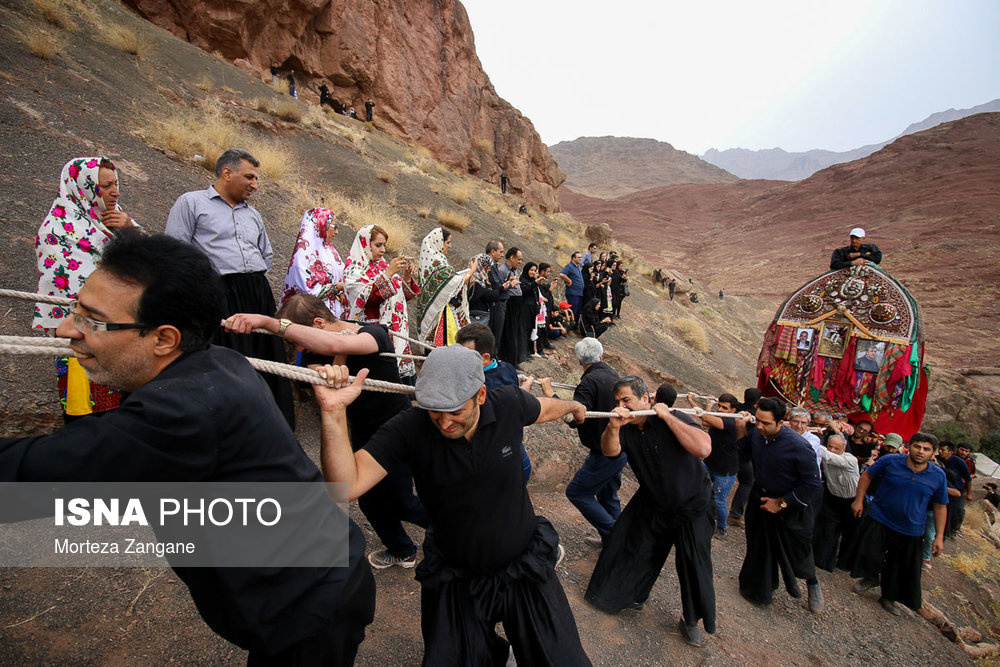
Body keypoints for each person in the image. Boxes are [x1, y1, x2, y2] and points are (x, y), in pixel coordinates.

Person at [4, 234, 375, 662]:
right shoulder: (217, 362)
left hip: (308, 608)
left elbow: (24, 478)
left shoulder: (183, 409)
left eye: (92, 320)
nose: (65, 329)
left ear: (164, 339)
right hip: (318, 578)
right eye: (75, 309)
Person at [314, 345, 592, 666]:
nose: (444, 422)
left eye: (455, 411)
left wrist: (573, 405)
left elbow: (542, 409)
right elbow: (346, 486)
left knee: (562, 659)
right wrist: (333, 414)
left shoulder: (510, 405)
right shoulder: (411, 427)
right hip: (456, 573)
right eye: (435, 410)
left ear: (481, 395)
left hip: (523, 562)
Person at [227, 292, 430, 569]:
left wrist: (268, 322)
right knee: (369, 501)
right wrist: (335, 361)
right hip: (361, 431)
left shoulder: (373, 333)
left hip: (395, 429)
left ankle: (456, 531)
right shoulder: (313, 351)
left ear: (319, 324)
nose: (297, 347)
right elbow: (323, 369)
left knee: (402, 502)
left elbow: (337, 341)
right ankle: (401, 549)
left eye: (297, 338)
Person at [165, 148, 295, 429]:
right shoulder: (191, 203)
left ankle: (270, 426)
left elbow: (266, 254)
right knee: (227, 358)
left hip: (256, 291)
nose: (255, 185)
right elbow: (176, 251)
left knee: (264, 356)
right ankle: (230, 428)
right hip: (216, 292)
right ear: (227, 172)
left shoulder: (254, 215)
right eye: (249, 177)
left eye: (257, 179)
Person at [585, 376, 716, 648]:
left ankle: (689, 619)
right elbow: (611, 452)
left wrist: (667, 417)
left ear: (645, 399)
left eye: (626, 400)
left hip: (692, 502)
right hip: (654, 499)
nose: (621, 406)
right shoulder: (627, 428)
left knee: (693, 563)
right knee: (632, 545)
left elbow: (703, 448)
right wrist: (612, 425)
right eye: (618, 402)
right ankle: (625, 597)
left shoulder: (674, 417)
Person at [34, 156, 142, 421]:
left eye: (116, 184)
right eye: (105, 186)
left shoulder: (119, 221)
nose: (115, 192)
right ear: (82, 188)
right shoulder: (56, 230)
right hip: (83, 337)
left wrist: (129, 231)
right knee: (87, 417)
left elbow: (155, 264)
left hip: (125, 335)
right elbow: (73, 288)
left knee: (129, 414)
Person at [735, 397, 824, 613]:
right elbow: (743, 453)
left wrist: (782, 503)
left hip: (791, 504)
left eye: (766, 423)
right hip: (761, 498)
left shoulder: (799, 447)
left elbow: (812, 483)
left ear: (780, 422)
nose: (760, 426)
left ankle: (812, 582)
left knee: (797, 550)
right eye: (758, 421)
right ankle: (760, 589)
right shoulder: (757, 434)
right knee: (758, 544)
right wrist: (740, 429)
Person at [845, 432, 948, 615]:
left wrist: (939, 537)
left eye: (926, 449)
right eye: (917, 446)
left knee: (898, 565)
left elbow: (940, 506)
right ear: (910, 447)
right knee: (870, 551)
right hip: (880, 517)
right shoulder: (891, 461)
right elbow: (867, 475)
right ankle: (871, 577)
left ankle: (888, 597)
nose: (920, 452)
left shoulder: (938, 476)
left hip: (911, 527)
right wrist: (858, 500)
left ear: (933, 453)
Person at [540, 338, 622, 547]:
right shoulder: (612, 374)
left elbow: (575, 418)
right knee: (608, 495)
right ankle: (612, 540)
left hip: (602, 452)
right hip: (619, 448)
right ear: (601, 356)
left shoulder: (588, 382)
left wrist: (550, 394)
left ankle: (616, 539)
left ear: (579, 362)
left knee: (577, 492)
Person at [456, 323, 535, 483]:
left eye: (466, 355)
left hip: (502, 462)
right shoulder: (506, 367)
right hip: (517, 453)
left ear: (485, 358)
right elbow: (517, 397)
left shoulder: (481, 386)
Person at [342, 224, 420, 382]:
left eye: (384, 245)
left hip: (394, 334)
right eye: (378, 245)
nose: (383, 250)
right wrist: (389, 273)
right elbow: (368, 299)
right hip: (370, 333)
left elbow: (402, 298)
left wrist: (405, 277)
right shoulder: (354, 270)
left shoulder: (382, 266)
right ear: (365, 244)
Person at [280, 207, 347, 318]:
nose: (336, 232)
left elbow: (340, 274)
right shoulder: (302, 256)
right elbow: (308, 292)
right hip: (309, 316)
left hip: (332, 313)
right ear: (321, 225)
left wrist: (342, 292)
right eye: (334, 227)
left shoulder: (329, 250)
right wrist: (338, 287)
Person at [688, 392, 740, 537]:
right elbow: (706, 422)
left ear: (733, 411)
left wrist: (691, 401)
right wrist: (709, 406)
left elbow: (704, 417)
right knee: (696, 486)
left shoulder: (730, 422)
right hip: (711, 463)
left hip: (725, 471)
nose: (721, 410)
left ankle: (722, 528)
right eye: (720, 407)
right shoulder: (719, 418)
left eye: (725, 408)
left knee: (719, 500)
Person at [414, 227, 473, 346]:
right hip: (440, 316)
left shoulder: (433, 261)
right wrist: (472, 271)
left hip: (439, 313)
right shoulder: (438, 263)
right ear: (438, 242)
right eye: (448, 242)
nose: (450, 246)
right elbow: (454, 283)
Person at [811, 434, 861, 571]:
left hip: (852, 500)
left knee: (850, 533)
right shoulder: (826, 457)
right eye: (830, 446)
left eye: (836, 448)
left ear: (843, 450)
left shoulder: (850, 460)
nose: (832, 450)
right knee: (827, 528)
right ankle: (821, 560)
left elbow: (830, 457)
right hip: (833, 497)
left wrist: (812, 440)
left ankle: (845, 564)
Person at [728, 387, 761, 526]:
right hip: (743, 455)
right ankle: (735, 514)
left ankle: (714, 506)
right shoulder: (756, 418)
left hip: (729, 449)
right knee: (747, 481)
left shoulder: (737, 409)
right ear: (757, 402)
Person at [497, 247, 526, 365]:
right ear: (511, 258)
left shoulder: (514, 270)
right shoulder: (502, 270)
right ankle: (508, 360)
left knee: (516, 331)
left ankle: (515, 358)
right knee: (509, 332)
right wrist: (509, 283)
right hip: (510, 303)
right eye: (518, 259)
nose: (520, 262)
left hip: (517, 303)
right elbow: (499, 287)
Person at [938, 442, 972, 538]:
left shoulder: (959, 462)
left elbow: (968, 478)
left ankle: (954, 529)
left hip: (958, 491)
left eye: (943, 450)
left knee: (958, 511)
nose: (940, 451)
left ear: (950, 452)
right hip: (942, 489)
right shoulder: (937, 459)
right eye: (939, 449)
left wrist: (969, 493)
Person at [788, 407, 824, 480]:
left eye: (803, 423)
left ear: (808, 424)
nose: (799, 426)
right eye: (795, 421)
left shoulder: (813, 440)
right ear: (790, 421)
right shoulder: (784, 435)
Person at [519, 261, 544, 359]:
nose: (533, 272)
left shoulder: (531, 281)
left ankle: (530, 351)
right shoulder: (523, 280)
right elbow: (525, 290)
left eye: (535, 270)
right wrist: (535, 283)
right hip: (525, 308)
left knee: (531, 330)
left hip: (532, 309)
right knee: (525, 330)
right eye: (531, 270)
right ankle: (524, 353)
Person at [559, 251, 585, 324]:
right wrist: (569, 280)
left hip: (579, 293)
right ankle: (570, 327)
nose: (580, 259)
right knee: (572, 310)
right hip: (573, 292)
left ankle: (575, 326)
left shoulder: (577, 267)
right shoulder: (569, 266)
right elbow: (562, 274)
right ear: (573, 258)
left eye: (581, 257)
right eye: (578, 257)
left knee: (578, 310)